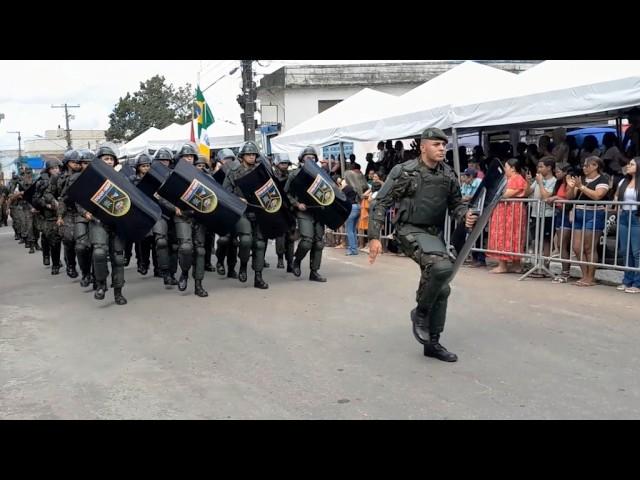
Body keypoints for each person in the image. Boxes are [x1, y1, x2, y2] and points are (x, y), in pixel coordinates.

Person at [368, 127, 477, 362]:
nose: (441, 149)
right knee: (441, 268)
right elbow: (381, 203)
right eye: (436, 145)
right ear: (423, 146)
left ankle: (432, 343)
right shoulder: (405, 172)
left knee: (442, 287)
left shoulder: (448, 174)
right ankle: (421, 313)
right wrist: (375, 237)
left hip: (433, 234)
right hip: (408, 230)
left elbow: (456, 205)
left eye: (443, 145)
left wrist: (465, 215)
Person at [223, 141, 270, 289]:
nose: (251, 156)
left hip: (259, 210)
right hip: (242, 211)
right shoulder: (233, 171)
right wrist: (238, 199)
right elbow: (225, 192)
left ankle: (258, 277)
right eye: (248, 154)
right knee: (245, 241)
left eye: (253, 154)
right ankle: (243, 265)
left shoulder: (262, 170)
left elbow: (271, 188)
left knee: (260, 244)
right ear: (242, 156)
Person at [284, 146, 329, 282]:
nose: (311, 158)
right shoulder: (295, 174)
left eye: (313, 157)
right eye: (307, 156)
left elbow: (330, 191)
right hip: (304, 211)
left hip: (318, 211)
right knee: (307, 241)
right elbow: (286, 193)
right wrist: (297, 204)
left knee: (319, 243)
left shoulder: (321, 174)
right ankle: (296, 261)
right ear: (302, 159)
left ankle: (314, 271)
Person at [566, 156, 610, 287]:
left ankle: (590, 277)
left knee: (589, 247)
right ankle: (584, 275)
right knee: (576, 247)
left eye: (587, 165)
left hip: (594, 213)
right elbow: (570, 197)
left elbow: (597, 196)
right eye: (584, 166)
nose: (584, 168)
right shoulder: (582, 179)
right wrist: (571, 187)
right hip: (579, 212)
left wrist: (581, 187)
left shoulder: (603, 179)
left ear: (595, 166)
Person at [486, 158, 528, 274]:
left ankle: (503, 265)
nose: (505, 169)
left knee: (507, 235)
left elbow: (505, 194)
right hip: (509, 211)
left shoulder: (516, 179)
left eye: (506, 167)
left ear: (513, 168)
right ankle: (515, 265)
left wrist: (496, 191)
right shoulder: (511, 178)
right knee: (512, 235)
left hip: (510, 212)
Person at [525, 156, 557, 275]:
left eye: (541, 166)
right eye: (538, 166)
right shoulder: (537, 179)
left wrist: (540, 183)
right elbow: (527, 192)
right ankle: (537, 264)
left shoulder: (553, 181)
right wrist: (529, 182)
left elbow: (546, 197)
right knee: (536, 239)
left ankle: (545, 266)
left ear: (549, 168)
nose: (538, 169)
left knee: (547, 241)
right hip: (535, 213)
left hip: (547, 214)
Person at [615, 157, 640, 293]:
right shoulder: (624, 181)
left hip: (637, 216)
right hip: (624, 215)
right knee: (625, 250)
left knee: (637, 251)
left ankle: (637, 282)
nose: (628, 166)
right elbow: (617, 197)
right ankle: (627, 280)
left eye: (631, 164)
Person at [547, 165, 576, 283]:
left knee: (563, 243)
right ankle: (564, 270)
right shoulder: (559, 183)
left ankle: (565, 272)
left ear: (565, 172)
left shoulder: (571, 182)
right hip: (559, 212)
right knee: (559, 245)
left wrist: (556, 197)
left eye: (558, 171)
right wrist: (553, 199)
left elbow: (570, 198)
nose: (556, 173)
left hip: (567, 213)